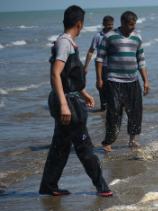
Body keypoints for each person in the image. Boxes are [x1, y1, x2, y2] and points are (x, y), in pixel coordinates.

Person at [39, 5, 112, 197]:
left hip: (69, 97)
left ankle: (48, 185)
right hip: (67, 103)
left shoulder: (67, 42)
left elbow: (68, 76)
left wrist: (83, 92)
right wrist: (64, 105)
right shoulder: (65, 43)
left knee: (61, 146)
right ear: (79, 24)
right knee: (84, 146)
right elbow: (55, 74)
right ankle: (102, 187)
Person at [96, 11, 150, 152]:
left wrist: (145, 81)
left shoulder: (137, 38)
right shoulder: (109, 37)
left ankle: (132, 140)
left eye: (134, 24)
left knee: (135, 112)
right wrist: (99, 78)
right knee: (114, 112)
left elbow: (141, 61)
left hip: (133, 81)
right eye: (130, 24)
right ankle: (108, 142)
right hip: (114, 81)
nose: (133, 27)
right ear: (123, 22)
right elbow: (99, 59)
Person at [84, 15, 114, 112]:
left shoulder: (116, 35)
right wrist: (86, 66)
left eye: (111, 25)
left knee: (114, 89)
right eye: (108, 25)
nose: (110, 27)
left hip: (114, 66)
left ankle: (113, 108)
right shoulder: (98, 36)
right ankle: (103, 109)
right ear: (103, 24)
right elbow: (91, 51)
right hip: (102, 67)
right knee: (101, 87)